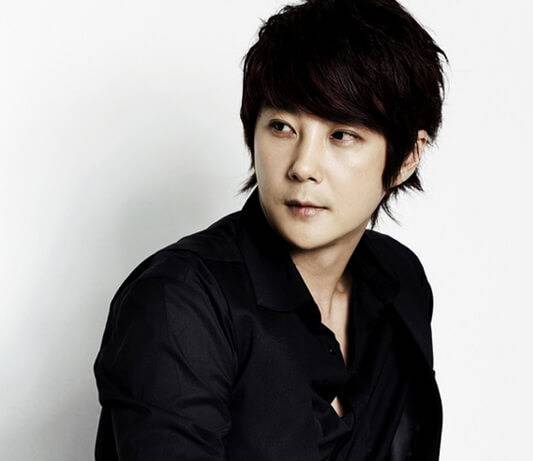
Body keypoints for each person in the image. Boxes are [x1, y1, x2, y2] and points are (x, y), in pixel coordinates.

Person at [93, 0, 448, 459]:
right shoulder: (180, 302)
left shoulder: (400, 280)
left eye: (341, 135)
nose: (303, 166)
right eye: (281, 127)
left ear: (407, 157)